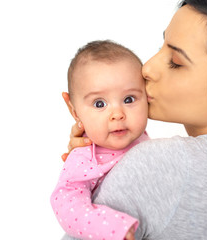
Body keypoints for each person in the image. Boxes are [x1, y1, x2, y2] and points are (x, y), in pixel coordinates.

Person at [61, 0, 207, 239]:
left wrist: (88, 177)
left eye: (176, 62)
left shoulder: (162, 163)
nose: (147, 68)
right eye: (160, 46)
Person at [51, 40, 149, 240]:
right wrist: (111, 228)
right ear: (74, 111)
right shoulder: (85, 157)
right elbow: (65, 201)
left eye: (129, 99)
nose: (117, 114)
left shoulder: (146, 142)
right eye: (99, 103)